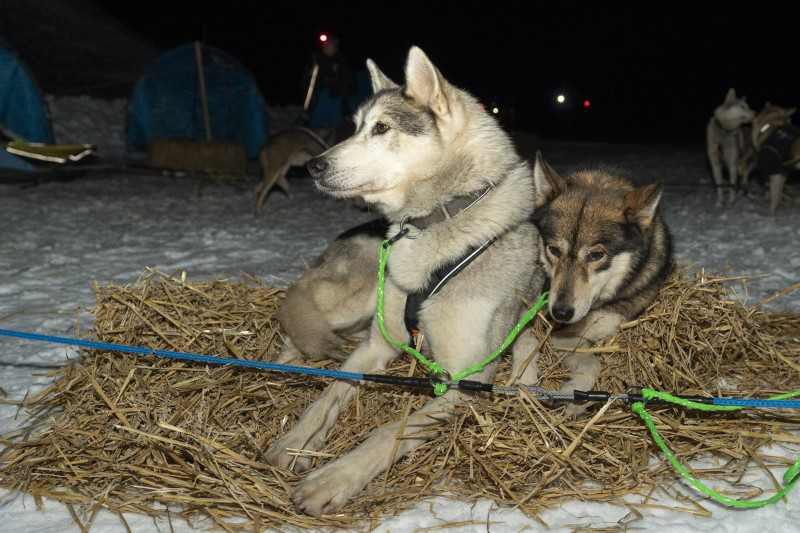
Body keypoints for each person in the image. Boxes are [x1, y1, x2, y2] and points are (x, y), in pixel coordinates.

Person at [301, 35, 355, 127]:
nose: (325, 47)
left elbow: (350, 83)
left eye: (329, 45)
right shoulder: (316, 62)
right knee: (317, 127)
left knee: (334, 128)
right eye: (324, 45)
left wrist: (336, 75)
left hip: (336, 101)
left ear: (335, 48)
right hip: (319, 100)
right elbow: (307, 83)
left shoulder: (341, 63)